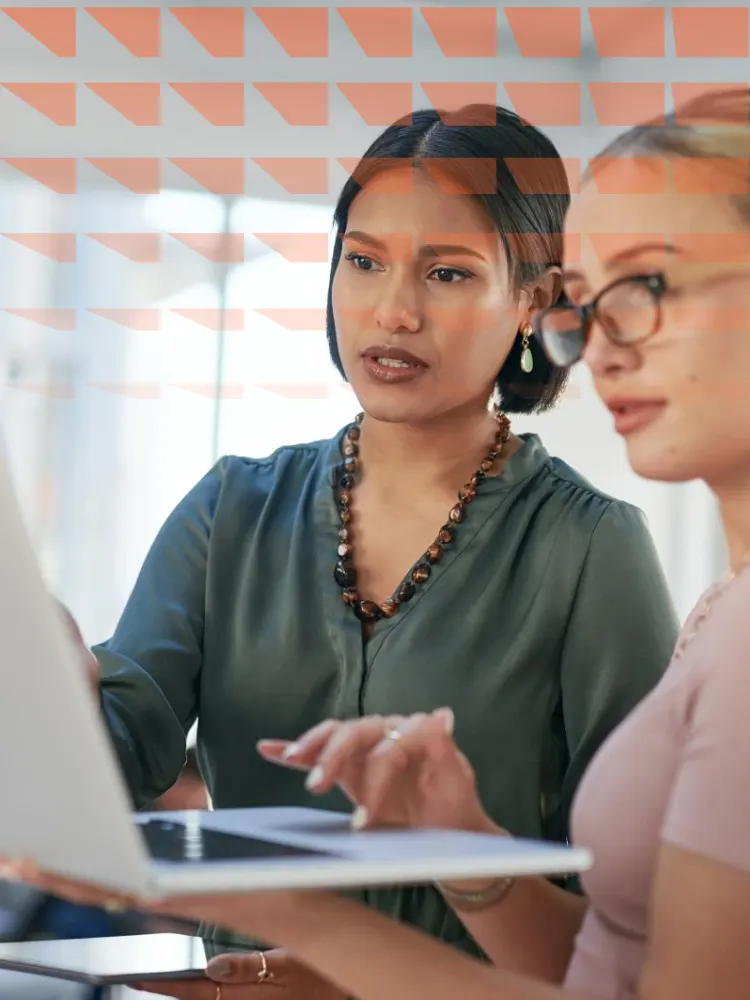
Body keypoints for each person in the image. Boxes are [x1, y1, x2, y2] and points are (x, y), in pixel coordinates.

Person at [58, 105, 677, 999]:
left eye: (449, 273)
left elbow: (635, 904)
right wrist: (50, 700)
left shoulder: (589, 548)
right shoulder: (229, 510)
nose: (394, 309)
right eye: (364, 260)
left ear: (535, 302)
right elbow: (120, 749)